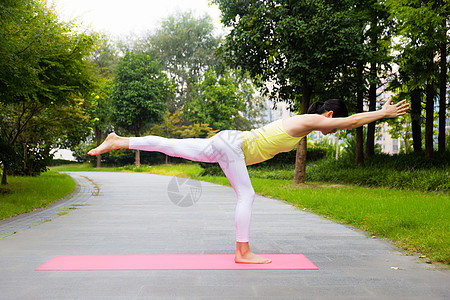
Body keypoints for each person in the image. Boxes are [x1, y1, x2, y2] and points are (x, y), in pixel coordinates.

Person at [88, 97, 409, 264]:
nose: (332, 130)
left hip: (228, 143)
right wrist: (382, 113)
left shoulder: (302, 123)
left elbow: (296, 122)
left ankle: (120, 140)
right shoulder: (311, 119)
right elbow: (352, 120)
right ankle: (242, 251)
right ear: (328, 116)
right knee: (247, 195)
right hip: (233, 147)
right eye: (333, 126)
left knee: (171, 145)